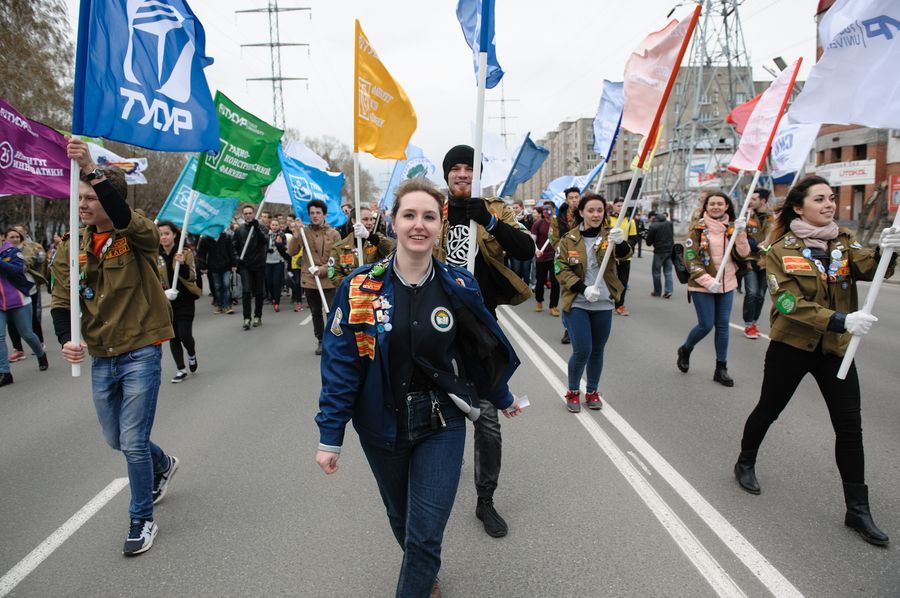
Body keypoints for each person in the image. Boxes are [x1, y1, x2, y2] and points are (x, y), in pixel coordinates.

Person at [315, 179, 523, 598]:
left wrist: (501, 396)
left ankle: (419, 572)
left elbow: (478, 350)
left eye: (429, 216)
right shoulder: (359, 288)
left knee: (426, 531)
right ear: (393, 222)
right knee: (402, 517)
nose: (419, 224)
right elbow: (341, 366)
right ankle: (424, 571)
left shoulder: (459, 286)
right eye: (409, 215)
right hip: (381, 425)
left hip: (441, 423)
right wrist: (330, 435)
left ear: (439, 226)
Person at [734, 175, 900, 547]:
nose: (829, 205)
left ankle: (857, 509)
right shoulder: (779, 249)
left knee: (850, 428)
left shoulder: (844, 240)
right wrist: (841, 320)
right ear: (799, 206)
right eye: (820, 199)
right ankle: (745, 460)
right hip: (792, 346)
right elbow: (788, 305)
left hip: (835, 351)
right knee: (768, 409)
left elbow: (870, 268)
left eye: (831, 198)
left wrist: (890, 250)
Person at [51, 138, 178, 555]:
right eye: (79, 196)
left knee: (133, 440)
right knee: (116, 439)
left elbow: (126, 218)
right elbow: (60, 301)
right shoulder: (72, 246)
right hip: (103, 356)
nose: (82, 203)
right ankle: (163, 464)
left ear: (109, 197)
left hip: (141, 349)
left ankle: (142, 519)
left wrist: (90, 167)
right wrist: (67, 341)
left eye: (89, 196)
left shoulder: (135, 233)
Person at [437, 144, 534, 539]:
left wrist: (490, 223)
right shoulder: (432, 206)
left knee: (487, 419)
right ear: (446, 176)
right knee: (436, 415)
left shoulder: (494, 207)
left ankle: (485, 499)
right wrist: (373, 238)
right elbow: (404, 248)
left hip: (479, 323)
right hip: (435, 322)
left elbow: (526, 248)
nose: (462, 174)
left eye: (469, 169)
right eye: (455, 169)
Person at [555, 194, 629, 412]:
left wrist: (622, 242)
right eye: (591, 210)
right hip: (577, 302)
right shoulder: (568, 240)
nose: (596, 215)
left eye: (600, 210)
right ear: (581, 213)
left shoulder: (610, 236)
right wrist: (583, 288)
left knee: (597, 350)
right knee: (582, 349)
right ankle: (572, 391)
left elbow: (625, 257)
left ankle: (592, 391)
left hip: (603, 303)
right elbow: (560, 269)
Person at [676, 190, 749, 387]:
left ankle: (721, 368)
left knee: (723, 325)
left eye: (720, 203)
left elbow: (744, 253)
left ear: (726, 207)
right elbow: (690, 259)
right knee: (706, 325)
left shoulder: (733, 229)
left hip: (727, 284)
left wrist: (741, 234)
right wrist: (709, 282)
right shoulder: (697, 229)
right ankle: (686, 349)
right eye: (712, 204)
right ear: (706, 207)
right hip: (702, 285)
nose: (716, 206)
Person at [286, 199, 341, 355]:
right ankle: (321, 340)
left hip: (329, 279)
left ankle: (334, 340)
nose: (315, 216)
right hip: (310, 280)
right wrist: (296, 235)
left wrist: (322, 269)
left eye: (318, 213)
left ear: (324, 214)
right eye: (312, 213)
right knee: (316, 312)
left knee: (332, 311)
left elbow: (336, 258)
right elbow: (291, 252)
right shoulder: (304, 231)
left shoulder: (334, 233)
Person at [1, 228, 49, 386]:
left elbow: (17, 270)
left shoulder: (13, 252)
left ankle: (40, 354)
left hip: (19, 301)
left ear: (2, 238)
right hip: (0, 304)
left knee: (27, 334)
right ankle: (5, 372)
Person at [157, 221, 201, 383]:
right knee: (173, 336)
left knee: (184, 335)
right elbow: (153, 278)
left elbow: (192, 276)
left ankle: (191, 353)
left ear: (174, 234)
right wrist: (163, 292)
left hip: (185, 300)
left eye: (167, 233)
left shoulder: (185, 253)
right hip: (166, 302)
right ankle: (181, 369)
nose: (164, 237)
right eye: (161, 234)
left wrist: (181, 264)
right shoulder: (156, 255)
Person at [327, 205, 394, 287]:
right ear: (354, 221)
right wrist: (352, 284)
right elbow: (334, 274)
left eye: (371, 219)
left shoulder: (377, 240)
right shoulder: (340, 247)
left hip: (374, 292)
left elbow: (390, 248)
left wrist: (368, 236)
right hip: (350, 294)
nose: (369, 223)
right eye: (365, 219)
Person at [741, 188, 772, 339]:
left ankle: (754, 322)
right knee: (752, 292)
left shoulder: (774, 218)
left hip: (767, 261)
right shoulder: (746, 216)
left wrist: (767, 245)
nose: (750, 202)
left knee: (760, 294)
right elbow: (739, 236)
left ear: (763, 201)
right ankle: (748, 324)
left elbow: (778, 237)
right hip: (750, 260)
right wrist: (754, 244)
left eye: (754, 199)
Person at [233, 205, 268, 330]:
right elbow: (234, 246)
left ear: (254, 214)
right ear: (243, 215)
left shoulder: (261, 227)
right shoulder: (239, 230)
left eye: (250, 213)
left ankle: (258, 316)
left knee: (258, 292)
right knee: (246, 291)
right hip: (245, 265)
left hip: (258, 264)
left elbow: (265, 241)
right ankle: (246, 318)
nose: (248, 215)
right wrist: (237, 258)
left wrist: (257, 227)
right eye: (246, 213)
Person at [609, 197, 639, 316]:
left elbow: (634, 238)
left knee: (623, 282)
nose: (621, 208)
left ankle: (619, 305)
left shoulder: (630, 221)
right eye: (618, 205)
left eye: (623, 206)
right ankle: (607, 300)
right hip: (610, 256)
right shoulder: (607, 219)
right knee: (609, 281)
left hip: (625, 257)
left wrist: (625, 245)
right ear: (613, 206)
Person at [197, 229, 237, 315]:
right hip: (213, 267)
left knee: (226, 285)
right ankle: (220, 305)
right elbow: (201, 253)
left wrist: (234, 264)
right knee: (217, 287)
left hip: (226, 266)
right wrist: (203, 266)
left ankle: (227, 306)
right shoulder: (205, 239)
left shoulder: (226, 237)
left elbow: (231, 251)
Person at [531, 206, 559, 315]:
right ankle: (539, 301)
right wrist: (537, 250)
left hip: (555, 257)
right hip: (541, 257)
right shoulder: (538, 224)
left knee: (555, 282)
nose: (547, 212)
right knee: (540, 281)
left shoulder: (557, 224)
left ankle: (553, 306)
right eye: (545, 211)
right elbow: (532, 240)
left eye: (549, 210)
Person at [646, 211, 675, 298]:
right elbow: (671, 236)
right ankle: (668, 291)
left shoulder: (653, 226)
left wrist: (647, 238)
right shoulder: (669, 223)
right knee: (668, 272)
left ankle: (657, 292)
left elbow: (648, 242)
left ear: (652, 217)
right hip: (670, 250)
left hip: (659, 251)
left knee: (656, 272)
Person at [264, 219, 288, 312]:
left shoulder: (282, 235)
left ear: (279, 226)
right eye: (273, 225)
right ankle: (273, 297)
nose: (274, 226)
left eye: (276, 225)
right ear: (270, 225)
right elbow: (262, 246)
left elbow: (285, 248)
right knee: (269, 283)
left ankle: (277, 302)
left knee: (276, 282)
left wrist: (279, 245)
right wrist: (267, 250)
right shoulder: (266, 235)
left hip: (279, 261)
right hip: (268, 261)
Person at [508, 199, 534, 284]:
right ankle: (518, 289)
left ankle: (526, 288)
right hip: (515, 248)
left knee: (526, 271)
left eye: (516, 207)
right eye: (513, 208)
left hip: (526, 247)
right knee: (516, 270)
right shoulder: (511, 218)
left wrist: (526, 220)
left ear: (521, 208)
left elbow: (530, 231)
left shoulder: (528, 217)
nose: (515, 209)